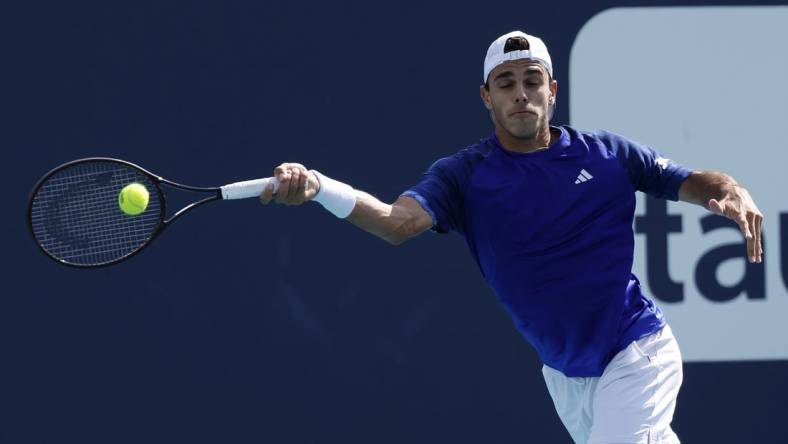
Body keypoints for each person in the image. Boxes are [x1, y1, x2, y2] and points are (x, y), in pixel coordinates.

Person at [259, 30, 763, 444]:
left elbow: (692, 181)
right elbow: (395, 222)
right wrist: (320, 188)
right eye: (505, 83)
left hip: (636, 352)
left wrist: (731, 190)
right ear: (487, 97)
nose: (520, 93)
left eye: (531, 80)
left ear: (552, 91)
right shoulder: (463, 175)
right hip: (566, 377)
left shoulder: (606, 155)